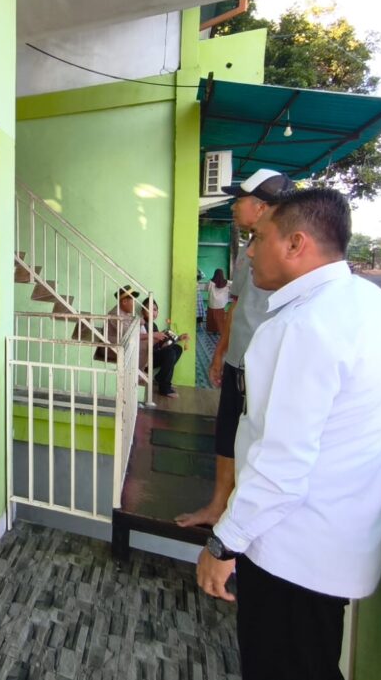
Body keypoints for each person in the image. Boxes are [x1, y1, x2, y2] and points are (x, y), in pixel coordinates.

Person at [196, 188, 381, 680]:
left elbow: (282, 465)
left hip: (290, 550)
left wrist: (223, 545)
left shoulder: (305, 324)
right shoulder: (372, 303)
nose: (249, 252)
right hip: (336, 545)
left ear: (295, 244)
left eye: (258, 238)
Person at [176, 168, 294, 528]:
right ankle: (218, 507)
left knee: (259, 441)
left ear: (261, 206)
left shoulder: (290, 248)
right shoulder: (249, 247)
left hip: (268, 367)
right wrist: (220, 353)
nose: (232, 205)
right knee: (227, 432)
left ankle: (247, 520)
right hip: (237, 361)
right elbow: (237, 305)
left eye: (239, 199)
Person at [140, 297, 188, 399]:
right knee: (170, 353)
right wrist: (155, 337)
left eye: (155, 309)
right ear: (142, 311)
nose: (152, 312)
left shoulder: (154, 325)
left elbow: (159, 345)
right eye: (149, 309)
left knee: (177, 349)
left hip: (154, 355)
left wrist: (178, 338)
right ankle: (164, 388)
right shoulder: (141, 324)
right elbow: (140, 343)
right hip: (145, 358)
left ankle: (160, 377)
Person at [205, 268, 231, 334]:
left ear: (215, 274)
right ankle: (220, 330)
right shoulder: (227, 282)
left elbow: (206, 289)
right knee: (220, 318)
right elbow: (233, 286)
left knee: (211, 317)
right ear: (222, 274)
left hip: (212, 303)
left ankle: (211, 330)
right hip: (221, 304)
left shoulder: (210, 282)